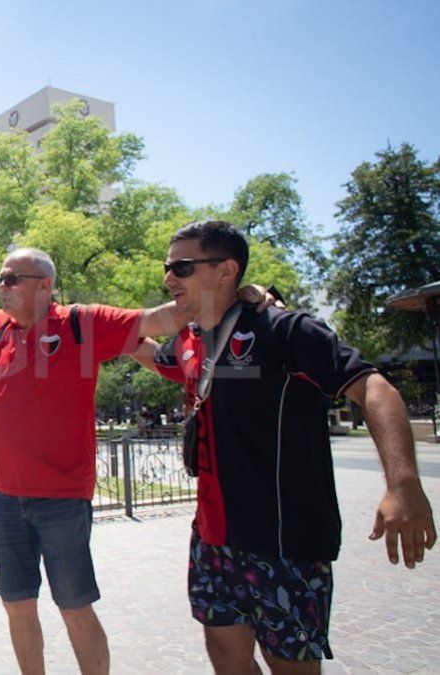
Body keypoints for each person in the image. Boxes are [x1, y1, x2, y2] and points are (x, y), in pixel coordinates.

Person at [0, 231, 277, 674]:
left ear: (44, 285)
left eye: (11, 279)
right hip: (6, 500)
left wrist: (241, 296)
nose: (1, 287)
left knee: (74, 609)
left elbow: (167, 317)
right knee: (17, 606)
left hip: (63, 500)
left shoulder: (84, 324)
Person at [130, 220, 437, 673]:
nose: (168, 278)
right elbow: (148, 350)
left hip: (284, 543)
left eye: (182, 267)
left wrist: (403, 484)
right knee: (226, 659)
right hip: (213, 540)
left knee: (289, 667)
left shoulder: (284, 330)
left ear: (225, 270)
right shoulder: (191, 342)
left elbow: (375, 389)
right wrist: (83, 325)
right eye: (168, 267)